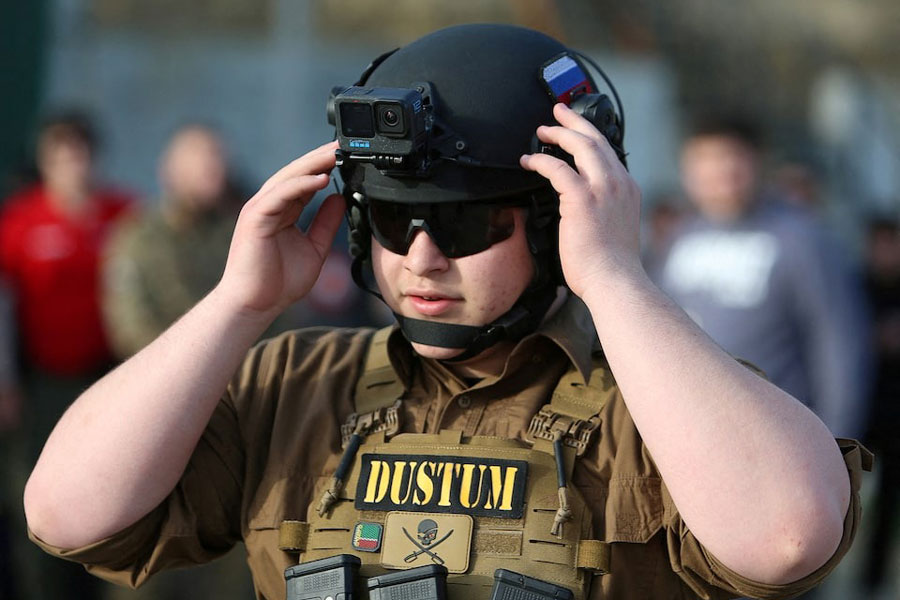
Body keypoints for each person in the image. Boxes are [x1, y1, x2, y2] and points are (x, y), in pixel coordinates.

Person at [23, 25, 868, 600]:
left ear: (558, 218)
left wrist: (616, 281)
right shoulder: (294, 378)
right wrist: (238, 305)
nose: (420, 258)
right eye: (393, 220)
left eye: (465, 224)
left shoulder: (663, 403)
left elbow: (787, 537)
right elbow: (67, 513)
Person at [654, 115, 871, 441]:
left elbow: (839, 342)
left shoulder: (802, 237)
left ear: (757, 161)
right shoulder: (677, 239)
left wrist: (838, 440)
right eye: (705, 159)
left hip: (778, 437)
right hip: (689, 434)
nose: (720, 172)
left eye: (731, 157)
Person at [0, 110, 135, 600]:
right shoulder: (21, 220)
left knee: (107, 491)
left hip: (104, 380)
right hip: (41, 384)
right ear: (45, 162)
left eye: (80, 154)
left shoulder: (122, 213)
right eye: (60, 156)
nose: (71, 165)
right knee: (37, 495)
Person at [860, 216, 900, 596]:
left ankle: (871, 580)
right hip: (862, 409)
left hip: (895, 414)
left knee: (888, 502)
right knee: (846, 495)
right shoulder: (856, 286)